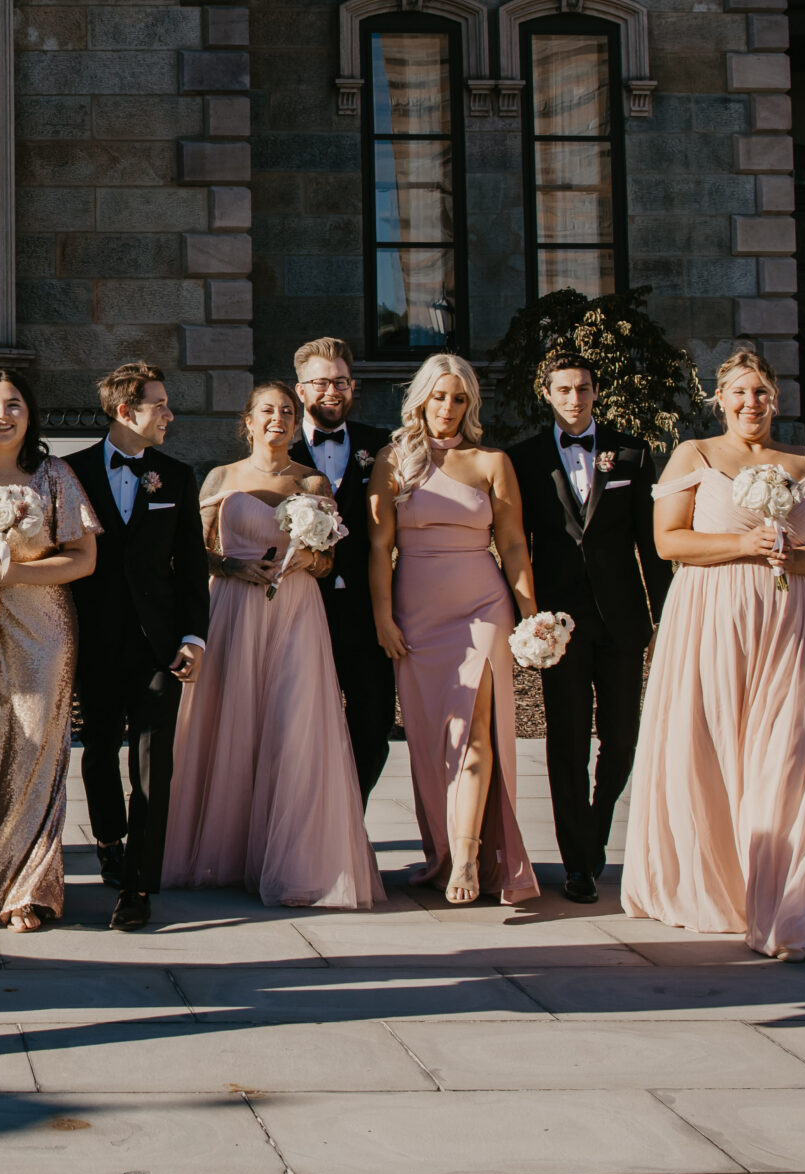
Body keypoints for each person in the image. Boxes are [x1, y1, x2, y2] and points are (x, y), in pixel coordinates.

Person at [624, 348, 805, 959]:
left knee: (791, 755)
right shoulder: (694, 455)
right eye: (741, 393)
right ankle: (723, 889)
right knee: (715, 747)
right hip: (712, 618)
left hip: (793, 620)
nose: (753, 403)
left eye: (764, 393)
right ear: (719, 399)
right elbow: (668, 541)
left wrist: (794, 558)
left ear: (778, 399)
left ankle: (787, 906)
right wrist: (743, 542)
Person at [167, 382, 382, 909]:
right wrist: (232, 565)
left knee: (292, 724)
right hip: (234, 610)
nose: (278, 419)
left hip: (295, 610)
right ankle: (227, 853)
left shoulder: (311, 481)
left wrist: (310, 562)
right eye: (267, 410)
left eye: (287, 411)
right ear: (248, 420)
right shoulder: (220, 478)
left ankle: (292, 858)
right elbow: (192, 554)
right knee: (232, 725)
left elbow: (330, 558)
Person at [368, 352, 539, 906]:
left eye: (459, 398)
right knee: (432, 738)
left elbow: (512, 543)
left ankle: (467, 854)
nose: (448, 407)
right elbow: (379, 546)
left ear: (471, 404)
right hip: (416, 613)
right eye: (439, 396)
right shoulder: (394, 460)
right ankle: (443, 851)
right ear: (421, 399)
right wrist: (382, 616)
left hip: (483, 606)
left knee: (477, 730)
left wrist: (530, 616)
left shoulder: (493, 462)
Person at [503, 350, 668, 904]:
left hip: (622, 621)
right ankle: (577, 863)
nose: (575, 398)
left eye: (584, 388)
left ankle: (594, 834)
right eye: (564, 389)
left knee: (622, 740)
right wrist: (523, 618)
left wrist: (666, 616)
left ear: (597, 392)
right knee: (566, 743)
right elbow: (513, 545)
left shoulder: (633, 452)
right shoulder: (522, 458)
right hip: (558, 625)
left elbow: (653, 544)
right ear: (547, 393)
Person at [0, 369, 98, 932]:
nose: (2, 415)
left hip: (43, 630)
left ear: (30, 415)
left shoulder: (54, 475)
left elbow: (83, 558)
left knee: (36, 749)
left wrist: (19, 571)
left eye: (14, 405)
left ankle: (28, 886)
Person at [66, 360, 204, 931]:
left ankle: (140, 887)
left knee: (153, 763)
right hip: (92, 642)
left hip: (159, 646)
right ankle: (108, 840)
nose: (169, 414)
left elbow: (192, 567)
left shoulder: (176, 476)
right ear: (127, 411)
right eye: (160, 405)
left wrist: (194, 637)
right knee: (98, 750)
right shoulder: (69, 472)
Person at [284, 337, 398, 800]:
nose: (333, 391)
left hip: (367, 609)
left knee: (373, 725)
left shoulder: (381, 444)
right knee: (299, 724)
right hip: (300, 608)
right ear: (300, 390)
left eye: (342, 381)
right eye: (321, 382)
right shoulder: (280, 446)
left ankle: (350, 817)